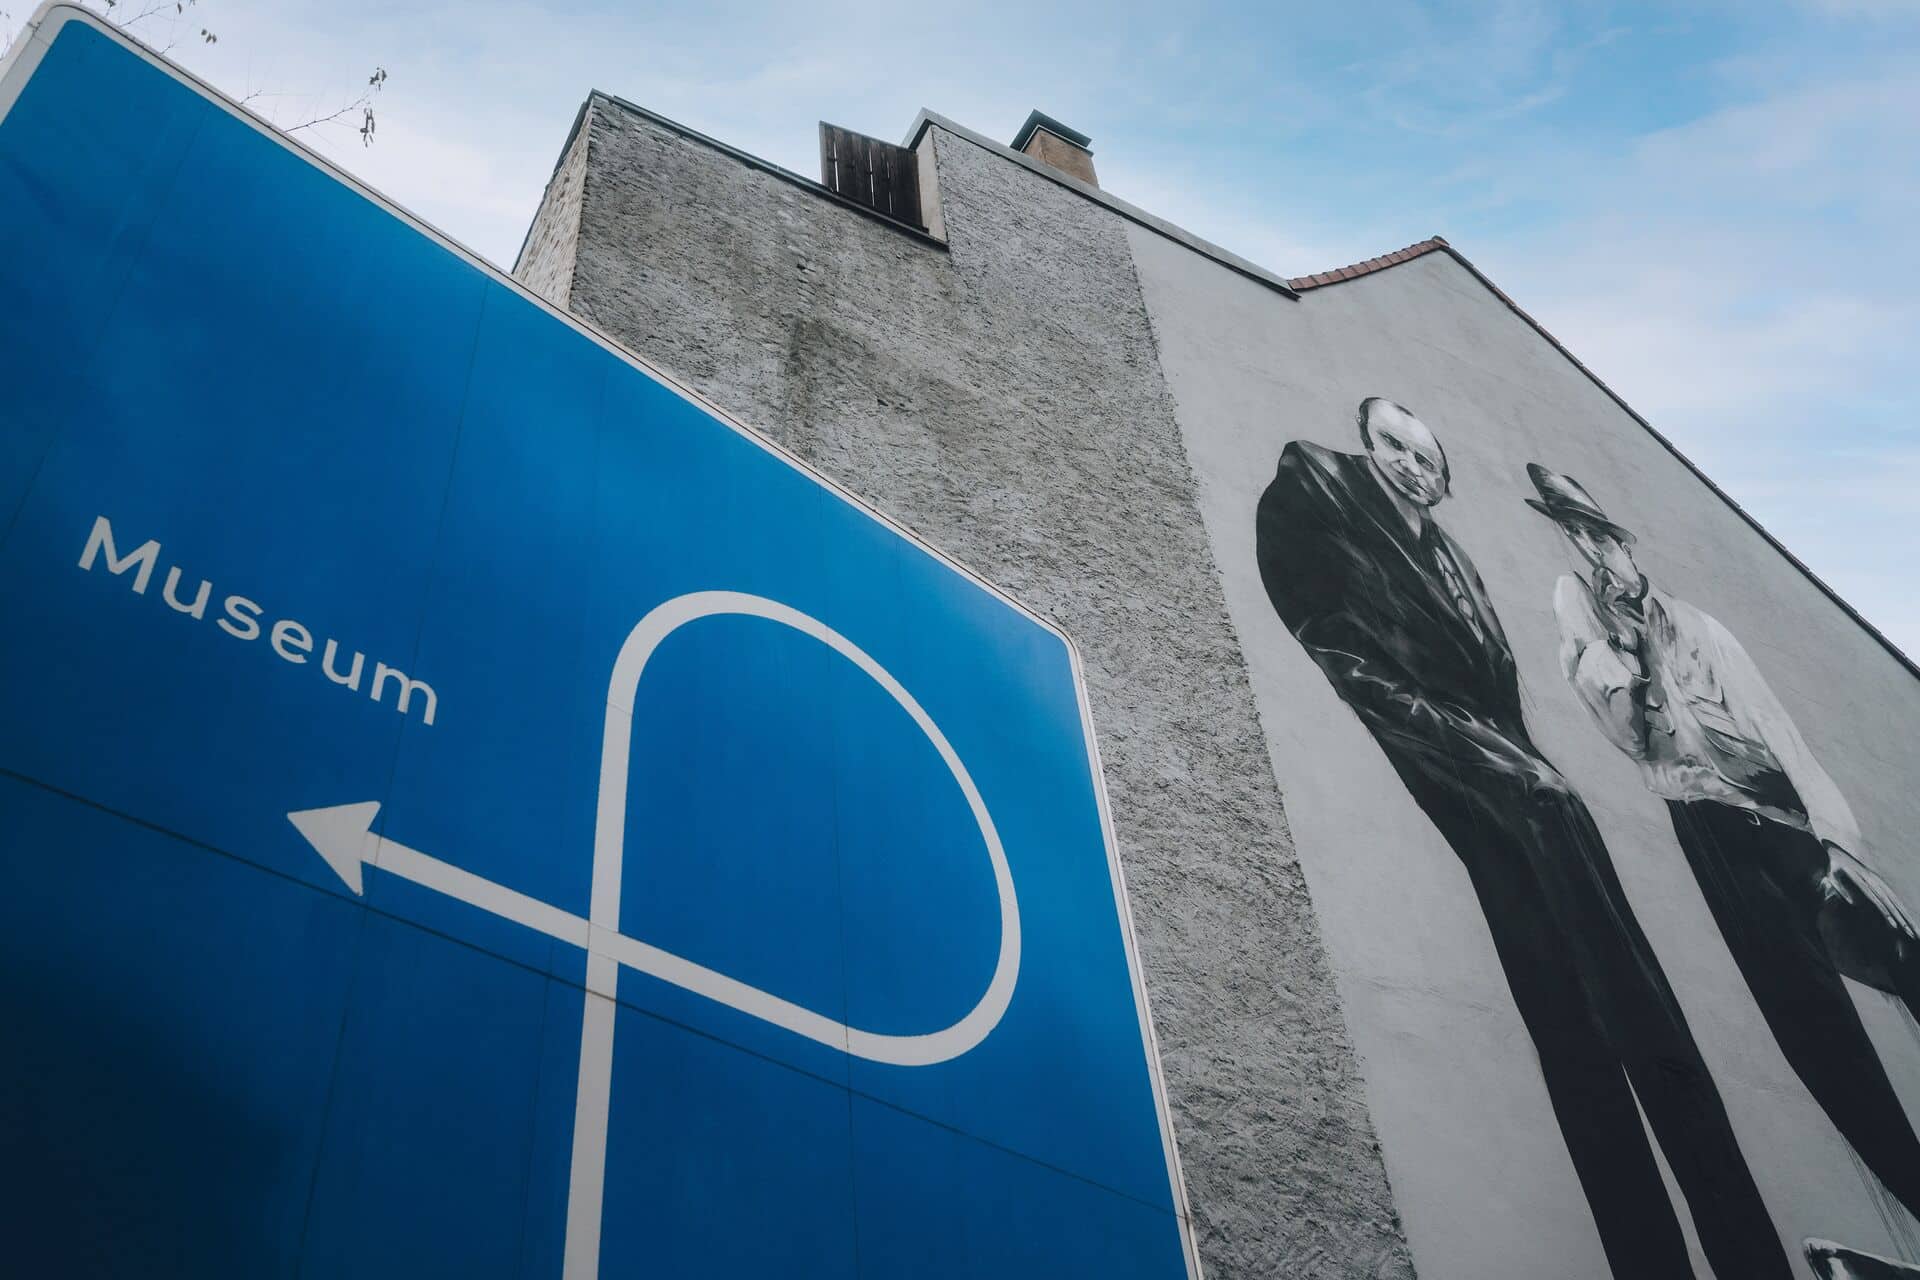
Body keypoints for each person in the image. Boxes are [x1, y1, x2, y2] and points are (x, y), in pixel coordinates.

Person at [1255, 399, 1792, 1279]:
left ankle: (1742, 1254)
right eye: (1393, 447)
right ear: (1365, 447)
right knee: (1582, 1045)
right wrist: (1499, 767)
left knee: (1642, 1028)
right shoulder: (1319, 489)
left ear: (1444, 477)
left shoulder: (1454, 556)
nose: (1410, 466)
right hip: (1498, 795)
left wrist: (1533, 772)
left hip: (1543, 802)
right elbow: (1344, 655)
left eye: (1426, 458)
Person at [1528, 461, 1920, 1224]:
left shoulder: (1700, 624)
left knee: (1903, 950)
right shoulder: (1588, 633)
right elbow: (1629, 736)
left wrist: (1839, 841)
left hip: (1792, 822)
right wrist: (1633, 656)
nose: (1591, 551)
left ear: (1624, 545)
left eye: (1599, 536)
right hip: (1712, 829)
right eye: (1575, 537)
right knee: (1813, 1025)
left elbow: (1778, 727)